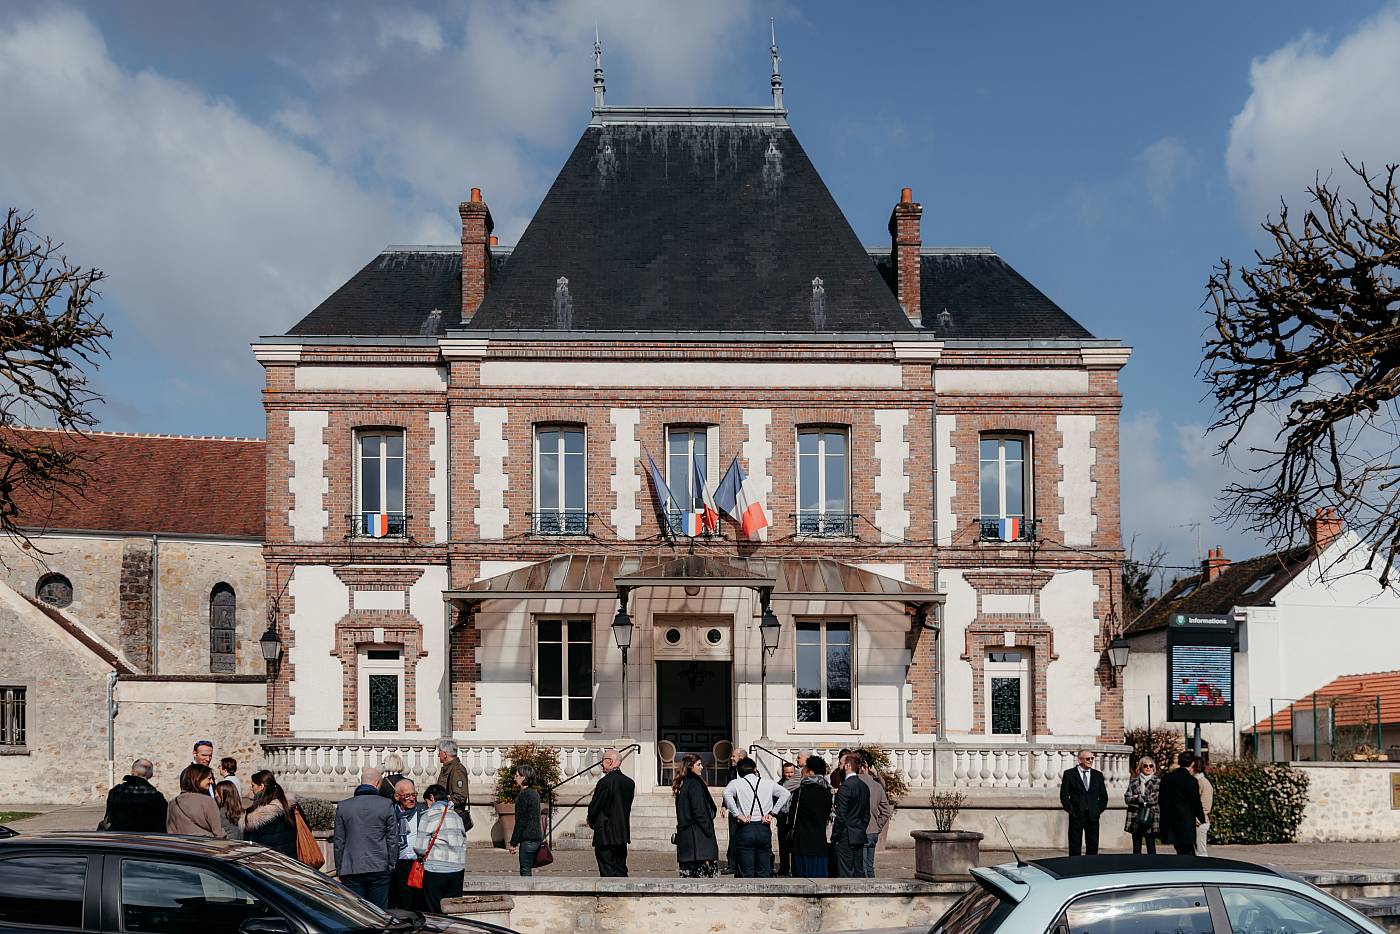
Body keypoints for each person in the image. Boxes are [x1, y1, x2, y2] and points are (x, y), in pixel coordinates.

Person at [334, 766, 399, 908]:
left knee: (356, 911)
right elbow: (392, 839)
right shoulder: (386, 804)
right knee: (379, 912)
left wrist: (340, 869)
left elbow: (339, 841)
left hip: (351, 867)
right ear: (377, 784)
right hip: (379, 866)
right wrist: (392, 863)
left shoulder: (344, 806)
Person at [721, 757, 791, 878]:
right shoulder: (768, 783)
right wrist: (772, 813)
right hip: (763, 827)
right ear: (755, 769)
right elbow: (786, 793)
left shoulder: (736, 783)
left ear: (739, 771)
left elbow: (726, 793)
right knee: (763, 871)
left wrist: (737, 814)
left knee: (745, 872)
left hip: (745, 827)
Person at [412, 784, 467, 912]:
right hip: (457, 869)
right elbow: (463, 843)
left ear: (432, 797)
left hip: (435, 870)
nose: (427, 806)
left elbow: (420, 848)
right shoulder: (456, 816)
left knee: (434, 909)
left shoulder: (429, 815)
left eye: (427, 802)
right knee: (453, 910)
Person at [586, 747, 635, 877]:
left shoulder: (605, 782)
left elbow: (595, 806)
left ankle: (609, 896)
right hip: (621, 833)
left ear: (610, 761)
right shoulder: (629, 783)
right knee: (620, 869)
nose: (601, 764)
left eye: (603, 761)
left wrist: (590, 819)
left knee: (607, 870)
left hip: (605, 833)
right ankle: (623, 895)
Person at [672, 753, 719, 878]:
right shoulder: (695, 784)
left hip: (687, 841)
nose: (702, 767)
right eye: (698, 764)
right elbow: (699, 811)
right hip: (698, 842)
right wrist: (708, 829)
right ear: (690, 766)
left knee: (687, 881)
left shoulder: (682, 783)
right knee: (705, 883)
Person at [789, 755, 832, 879]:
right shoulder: (828, 793)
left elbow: (791, 818)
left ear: (810, 771)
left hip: (801, 845)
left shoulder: (800, 792)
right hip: (819, 845)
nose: (801, 771)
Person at [1059, 749, 1108, 856]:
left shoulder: (1098, 775)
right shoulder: (1069, 774)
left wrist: (1097, 810)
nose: (1091, 761)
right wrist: (1071, 810)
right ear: (1080, 760)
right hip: (1076, 815)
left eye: (1092, 758)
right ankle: (1075, 869)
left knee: (1092, 845)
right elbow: (1064, 796)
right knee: (1075, 845)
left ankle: (1091, 868)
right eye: (1088, 759)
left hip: (1093, 816)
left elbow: (1104, 797)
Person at [99, 758, 167, 832]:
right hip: (145, 839)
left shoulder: (116, 791)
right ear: (150, 774)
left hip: (118, 837)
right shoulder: (156, 797)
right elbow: (162, 824)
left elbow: (108, 819)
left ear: (132, 772)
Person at [831, 753, 871, 877]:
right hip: (859, 833)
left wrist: (835, 835)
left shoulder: (846, 787)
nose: (840, 767)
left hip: (846, 835)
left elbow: (841, 815)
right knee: (858, 871)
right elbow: (866, 815)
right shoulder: (864, 786)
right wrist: (860, 828)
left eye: (842, 764)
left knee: (846, 872)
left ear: (847, 766)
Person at [389, 779, 426, 910]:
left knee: (419, 902)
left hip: (418, 862)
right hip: (398, 862)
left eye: (413, 794)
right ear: (397, 796)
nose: (411, 799)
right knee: (401, 902)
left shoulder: (423, 810)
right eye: (407, 796)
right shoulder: (391, 812)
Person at [243, 769, 298, 857]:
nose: (251, 788)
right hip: (290, 861)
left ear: (261, 786)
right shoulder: (289, 806)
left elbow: (251, 848)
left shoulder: (255, 816)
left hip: (269, 864)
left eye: (253, 785)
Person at [1159, 752, 1205, 855]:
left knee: (1179, 850)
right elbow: (1195, 802)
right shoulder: (1191, 780)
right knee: (1188, 853)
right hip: (1185, 821)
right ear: (1192, 763)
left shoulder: (1167, 778)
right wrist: (1201, 817)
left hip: (1170, 820)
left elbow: (1161, 800)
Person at [857, 752, 894, 877]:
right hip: (872, 830)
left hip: (858, 831)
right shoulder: (877, 785)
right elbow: (886, 811)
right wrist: (877, 827)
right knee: (869, 867)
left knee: (861, 869)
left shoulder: (853, 783)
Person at [166, 764, 224, 838]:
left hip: (182, 847)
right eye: (209, 778)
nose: (212, 782)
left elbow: (171, 832)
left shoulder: (173, 803)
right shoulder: (208, 801)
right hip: (206, 846)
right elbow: (218, 833)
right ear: (198, 778)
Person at [507, 764, 544, 876]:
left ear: (523, 777)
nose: (515, 777)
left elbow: (521, 821)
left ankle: (527, 893)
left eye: (517, 775)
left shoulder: (523, 795)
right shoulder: (535, 793)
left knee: (525, 870)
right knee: (527, 869)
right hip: (536, 838)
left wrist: (513, 843)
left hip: (528, 839)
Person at [1123, 756, 1161, 855]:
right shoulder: (1134, 782)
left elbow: (1154, 799)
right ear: (1140, 767)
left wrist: (1137, 797)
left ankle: (1152, 867)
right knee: (1136, 845)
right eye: (1145, 766)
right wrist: (1143, 799)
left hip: (1151, 815)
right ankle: (1136, 866)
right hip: (1135, 816)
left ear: (1154, 767)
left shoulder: (1157, 781)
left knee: (1151, 845)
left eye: (1151, 766)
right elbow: (1127, 798)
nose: (1148, 768)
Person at [435, 739, 472, 820]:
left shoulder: (457, 770)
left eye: (439, 752)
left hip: (453, 816)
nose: (438, 755)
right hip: (445, 814)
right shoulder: (447, 768)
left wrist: (439, 801)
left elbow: (460, 797)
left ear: (444, 754)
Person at [776, 761, 801, 876]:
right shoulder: (779, 784)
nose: (789, 775)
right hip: (782, 817)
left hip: (793, 817)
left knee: (794, 844)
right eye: (787, 772)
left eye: (791, 772)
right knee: (783, 845)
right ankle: (784, 867)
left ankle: (794, 868)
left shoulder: (798, 785)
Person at [1195, 761, 1214, 856]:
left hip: (1200, 823)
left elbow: (1206, 807)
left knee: (1200, 852)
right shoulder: (1196, 781)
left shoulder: (1203, 783)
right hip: (1196, 822)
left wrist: (1197, 820)